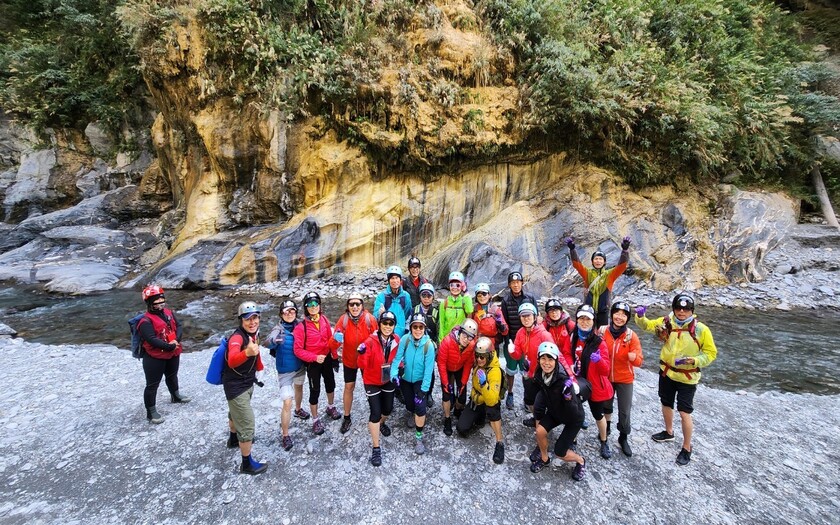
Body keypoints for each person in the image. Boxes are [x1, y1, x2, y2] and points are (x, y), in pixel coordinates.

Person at [635, 293, 717, 465]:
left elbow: (710, 353)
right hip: (667, 372)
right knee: (666, 403)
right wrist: (640, 317)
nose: (681, 312)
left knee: (684, 411)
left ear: (692, 311)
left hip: (687, 378)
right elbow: (647, 326)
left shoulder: (701, 329)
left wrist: (694, 361)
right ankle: (669, 432)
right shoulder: (666, 322)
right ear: (674, 309)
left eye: (686, 309)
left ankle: (687, 447)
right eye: (678, 308)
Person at [529, 342, 587, 481]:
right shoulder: (540, 373)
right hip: (556, 411)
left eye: (550, 359)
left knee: (560, 452)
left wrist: (567, 397)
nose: (546, 363)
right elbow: (538, 388)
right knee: (540, 431)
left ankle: (580, 461)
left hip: (573, 418)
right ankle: (544, 459)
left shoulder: (563, 380)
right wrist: (527, 373)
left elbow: (573, 411)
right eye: (543, 358)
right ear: (538, 359)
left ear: (556, 361)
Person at [223, 301, 268, 475]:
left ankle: (234, 439)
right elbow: (232, 360)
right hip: (236, 386)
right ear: (241, 320)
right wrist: (247, 353)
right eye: (248, 319)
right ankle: (247, 464)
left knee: (235, 413)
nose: (252, 322)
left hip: (245, 382)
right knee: (247, 424)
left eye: (255, 318)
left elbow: (256, 351)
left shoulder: (253, 334)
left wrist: (259, 367)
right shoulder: (237, 338)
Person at [137, 285, 189, 425]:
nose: (160, 304)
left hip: (173, 351)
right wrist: (170, 346)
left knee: (172, 375)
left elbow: (178, 326)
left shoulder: (169, 313)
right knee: (152, 385)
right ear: (149, 303)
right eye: (157, 302)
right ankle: (151, 412)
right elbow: (151, 339)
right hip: (154, 357)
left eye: (162, 300)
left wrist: (176, 340)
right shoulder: (145, 321)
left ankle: (175, 396)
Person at [567, 304, 613, 459]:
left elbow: (606, 371)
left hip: (594, 385)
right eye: (581, 318)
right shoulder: (573, 337)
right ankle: (573, 439)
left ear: (593, 322)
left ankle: (604, 440)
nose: (584, 322)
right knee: (574, 413)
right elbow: (567, 355)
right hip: (578, 382)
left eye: (588, 319)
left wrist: (599, 361)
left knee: (598, 414)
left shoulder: (599, 342)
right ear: (577, 320)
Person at [598, 301, 643, 457]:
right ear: (611, 315)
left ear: (627, 318)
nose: (619, 317)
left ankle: (623, 437)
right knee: (606, 405)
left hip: (624, 378)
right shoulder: (602, 331)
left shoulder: (631, 336)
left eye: (624, 315)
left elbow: (639, 360)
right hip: (606, 376)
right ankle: (607, 428)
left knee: (624, 410)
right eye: (617, 313)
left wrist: (634, 358)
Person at [329, 293, 378, 434]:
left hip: (366, 360)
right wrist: (336, 340)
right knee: (349, 387)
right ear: (348, 306)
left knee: (370, 388)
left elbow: (377, 340)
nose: (355, 307)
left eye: (357, 304)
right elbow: (331, 345)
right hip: (349, 360)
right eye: (352, 304)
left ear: (362, 305)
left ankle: (375, 415)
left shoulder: (369, 319)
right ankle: (347, 417)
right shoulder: (343, 320)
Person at [293, 292, 341, 436]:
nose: (313, 307)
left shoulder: (324, 319)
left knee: (330, 384)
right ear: (306, 307)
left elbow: (330, 340)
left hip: (326, 358)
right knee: (315, 390)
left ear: (319, 305)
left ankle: (330, 407)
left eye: (316, 304)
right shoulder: (301, 327)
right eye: (310, 304)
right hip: (313, 363)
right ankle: (315, 420)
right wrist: (314, 357)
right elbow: (298, 350)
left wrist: (334, 357)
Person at [356, 311, 400, 466]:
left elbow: (398, 359)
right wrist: (362, 354)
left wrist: (399, 371)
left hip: (387, 379)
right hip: (372, 380)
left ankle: (381, 423)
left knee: (387, 409)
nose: (387, 326)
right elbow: (362, 365)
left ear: (394, 326)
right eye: (384, 323)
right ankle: (376, 448)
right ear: (379, 324)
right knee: (375, 412)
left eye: (391, 323)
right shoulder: (370, 341)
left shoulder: (396, 340)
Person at [264, 299, 308, 451]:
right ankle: (285, 434)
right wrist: (274, 341)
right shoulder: (278, 330)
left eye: (292, 311)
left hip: (300, 366)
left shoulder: (300, 324)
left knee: (299, 388)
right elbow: (267, 342)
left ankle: (298, 409)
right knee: (287, 402)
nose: (289, 314)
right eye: (286, 311)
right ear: (281, 314)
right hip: (285, 371)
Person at [391, 313, 436, 455]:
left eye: (420, 327)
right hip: (406, 378)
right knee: (409, 404)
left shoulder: (428, 346)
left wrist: (424, 390)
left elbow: (429, 370)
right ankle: (412, 412)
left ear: (424, 328)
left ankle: (419, 437)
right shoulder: (405, 340)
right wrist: (393, 375)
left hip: (419, 380)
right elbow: (397, 359)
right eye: (415, 327)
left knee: (421, 407)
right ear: (410, 328)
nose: (417, 330)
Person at [456, 337, 505, 464]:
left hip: (488, 401)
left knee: (492, 410)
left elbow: (492, 400)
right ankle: (480, 417)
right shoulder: (478, 364)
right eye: (477, 356)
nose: (479, 359)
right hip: (476, 399)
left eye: (482, 357)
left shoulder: (495, 371)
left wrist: (484, 385)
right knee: (462, 428)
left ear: (489, 356)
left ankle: (499, 442)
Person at [566, 235, 631, 327]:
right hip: (588, 311)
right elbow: (577, 264)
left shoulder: (610, 274)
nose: (598, 261)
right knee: (586, 331)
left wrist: (625, 251)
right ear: (592, 262)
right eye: (596, 259)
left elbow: (622, 266)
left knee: (602, 333)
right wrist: (572, 249)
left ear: (604, 262)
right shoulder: (587, 273)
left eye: (600, 259)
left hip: (603, 312)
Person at [507, 302, 553, 427]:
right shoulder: (520, 333)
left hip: (543, 373)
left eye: (528, 315)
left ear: (534, 317)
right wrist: (512, 351)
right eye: (523, 316)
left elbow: (555, 356)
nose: (526, 318)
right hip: (529, 372)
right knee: (530, 400)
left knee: (542, 401)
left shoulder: (543, 334)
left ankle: (543, 423)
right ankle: (536, 418)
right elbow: (517, 355)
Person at [499, 271, 538, 410]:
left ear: (522, 283)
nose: (516, 285)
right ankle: (510, 393)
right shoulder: (505, 301)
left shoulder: (530, 298)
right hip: (512, 340)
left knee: (526, 370)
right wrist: (507, 341)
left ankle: (527, 397)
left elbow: (536, 319)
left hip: (527, 341)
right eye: (513, 283)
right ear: (509, 285)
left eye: (518, 282)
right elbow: (504, 323)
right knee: (510, 370)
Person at [437, 318, 478, 436]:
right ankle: (447, 418)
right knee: (447, 395)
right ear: (460, 332)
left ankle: (458, 409)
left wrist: (463, 383)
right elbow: (441, 363)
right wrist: (445, 383)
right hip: (447, 367)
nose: (466, 340)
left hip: (460, 367)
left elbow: (468, 364)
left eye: (470, 337)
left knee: (462, 396)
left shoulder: (471, 345)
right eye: (464, 335)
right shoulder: (447, 342)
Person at [412, 282, 440, 406]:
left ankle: (428, 393)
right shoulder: (415, 310)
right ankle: (416, 391)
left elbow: (438, 330)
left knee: (430, 370)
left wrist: (437, 345)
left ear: (433, 297)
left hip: (430, 345)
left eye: (429, 296)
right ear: (420, 296)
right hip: (416, 344)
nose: (426, 298)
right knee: (417, 368)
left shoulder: (436, 312)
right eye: (424, 295)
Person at [374, 265, 413, 337]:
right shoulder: (381, 297)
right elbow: (375, 316)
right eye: (392, 278)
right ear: (389, 280)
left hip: (401, 333)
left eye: (397, 278)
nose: (395, 281)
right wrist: (380, 314)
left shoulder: (406, 296)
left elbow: (407, 314)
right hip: (386, 333)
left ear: (400, 280)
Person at [438, 271, 474, 341]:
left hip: (460, 339)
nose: (455, 288)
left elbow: (469, 310)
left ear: (462, 286)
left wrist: (466, 291)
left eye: (458, 285)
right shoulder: (444, 303)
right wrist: (441, 341)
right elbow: (441, 324)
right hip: (447, 339)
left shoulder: (464, 301)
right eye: (452, 285)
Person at [472, 283, 508, 348]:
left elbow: (505, 331)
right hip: (478, 342)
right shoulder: (474, 310)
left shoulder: (495, 309)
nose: (482, 297)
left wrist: (501, 325)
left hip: (492, 343)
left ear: (489, 295)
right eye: (479, 295)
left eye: (484, 294)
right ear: (476, 298)